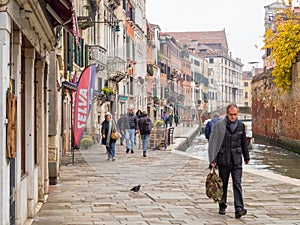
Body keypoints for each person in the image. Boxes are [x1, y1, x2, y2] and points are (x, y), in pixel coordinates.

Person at [208, 103, 250, 219]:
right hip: (223, 159)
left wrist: (246, 157)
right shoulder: (219, 125)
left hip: (236, 160)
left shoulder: (241, 126)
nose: (233, 117)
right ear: (227, 114)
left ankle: (239, 209)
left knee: (237, 183)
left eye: (235, 114)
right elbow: (213, 143)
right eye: (231, 114)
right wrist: (212, 160)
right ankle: (222, 205)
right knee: (224, 184)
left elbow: (243, 143)